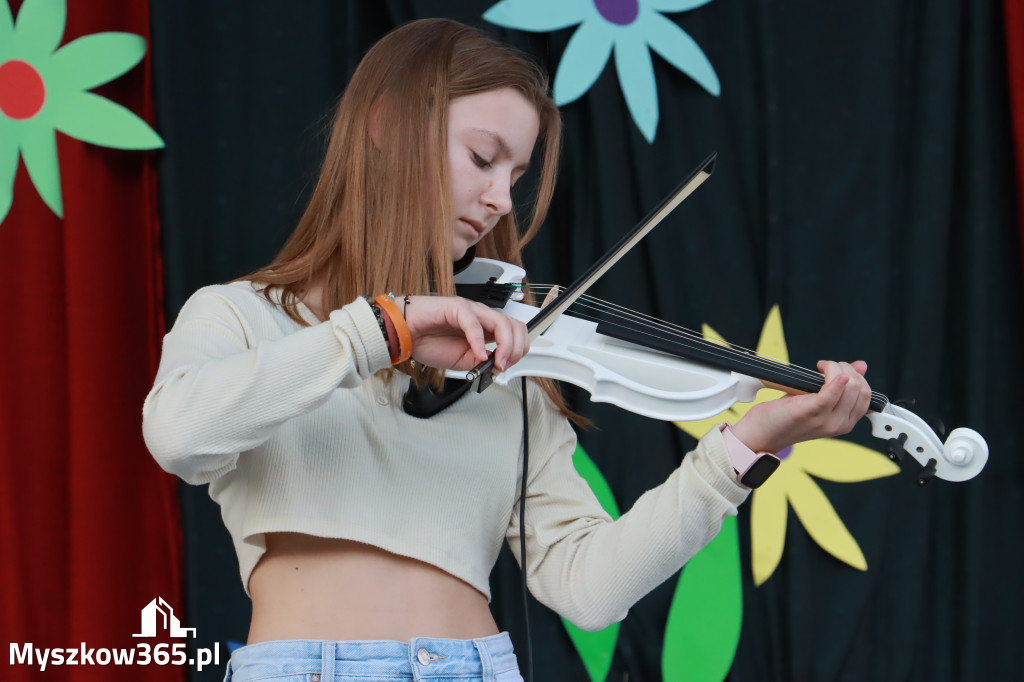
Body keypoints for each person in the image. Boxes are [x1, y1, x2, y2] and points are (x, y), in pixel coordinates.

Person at [142, 18, 872, 682]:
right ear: (389, 125)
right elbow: (179, 437)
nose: (500, 201)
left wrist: (741, 449)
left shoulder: (502, 361)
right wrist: (380, 330)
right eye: (483, 158)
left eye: (515, 177)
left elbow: (588, 589)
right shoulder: (239, 317)